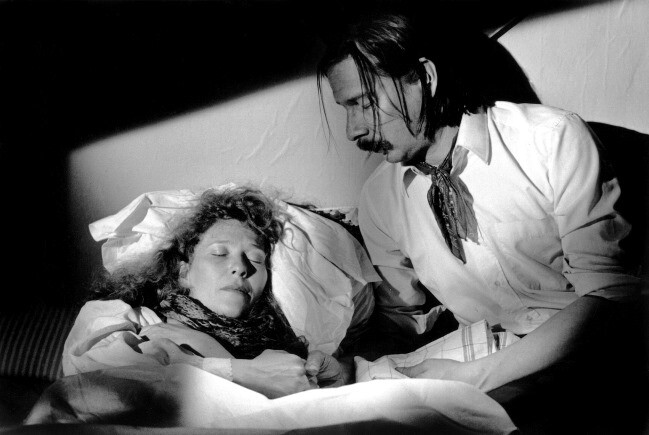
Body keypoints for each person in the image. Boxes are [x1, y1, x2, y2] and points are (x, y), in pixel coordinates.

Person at [317, 12, 645, 432]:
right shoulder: (380, 198)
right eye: (345, 108)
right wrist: (351, 366)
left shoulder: (549, 139)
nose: (353, 130)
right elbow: (404, 319)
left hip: (600, 359)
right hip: (486, 364)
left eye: (364, 102)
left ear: (424, 78)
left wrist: (477, 378)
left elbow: (609, 295)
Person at [63, 186, 345, 399]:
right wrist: (242, 373)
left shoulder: (282, 355)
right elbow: (90, 385)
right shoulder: (129, 319)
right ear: (184, 272)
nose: (241, 267)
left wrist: (337, 380)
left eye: (256, 259)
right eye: (219, 253)